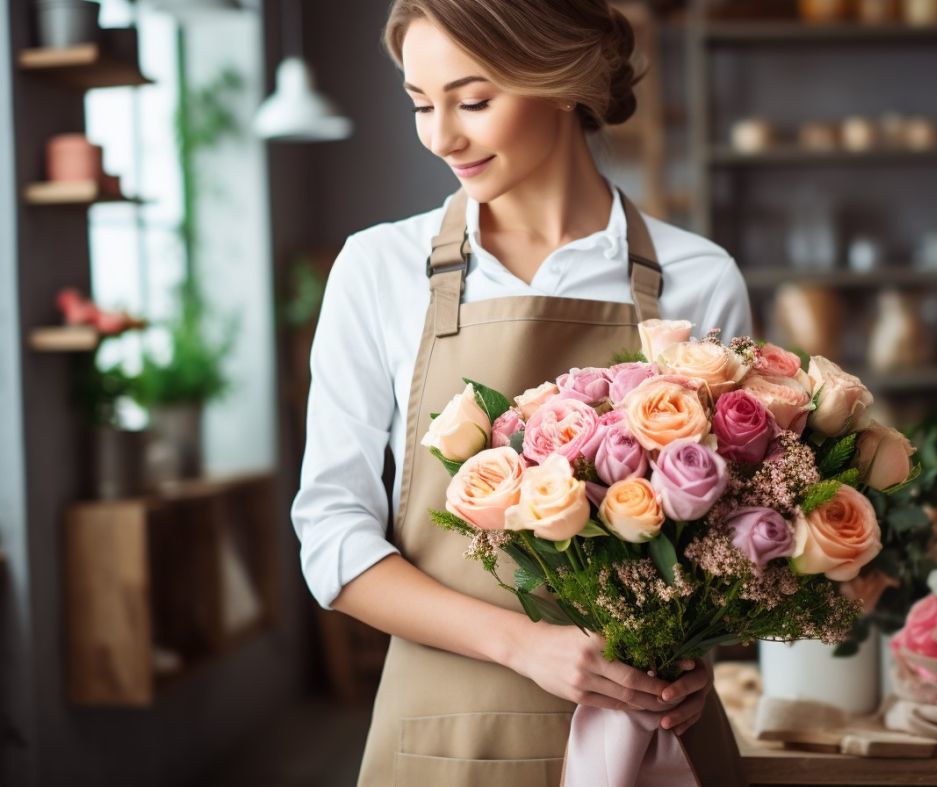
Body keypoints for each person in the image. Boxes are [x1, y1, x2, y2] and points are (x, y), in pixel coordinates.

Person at [291, 1, 753, 784]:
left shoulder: (697, 277)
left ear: (565, 81)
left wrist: (696, 651)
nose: (442, 136)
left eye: (473, 101)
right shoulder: (377, 270)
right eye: (419, 104)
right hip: (447, 738)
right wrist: (522, 643)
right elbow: (331, 536)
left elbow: (728, 534)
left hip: (646, 740)